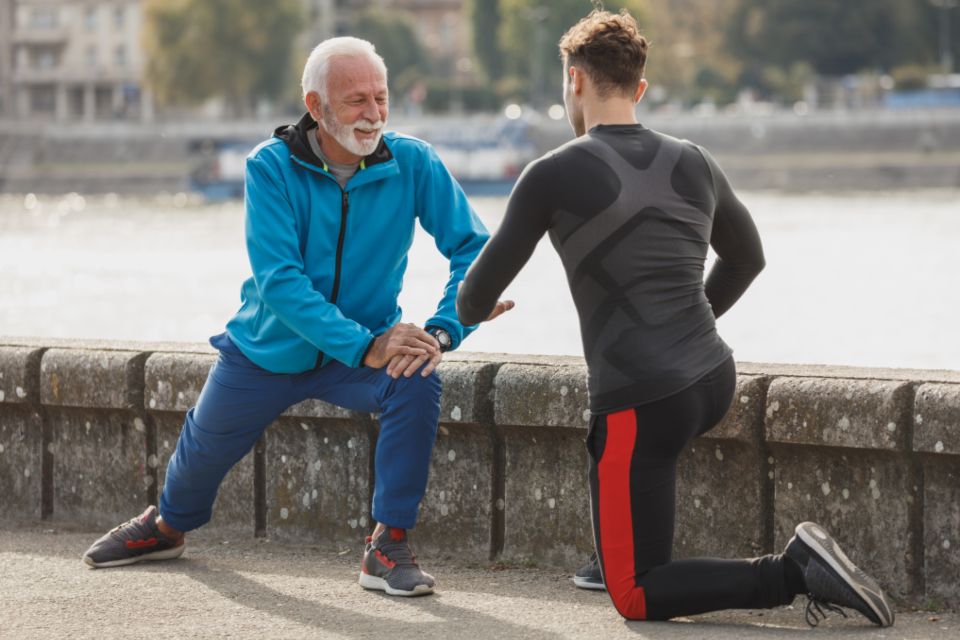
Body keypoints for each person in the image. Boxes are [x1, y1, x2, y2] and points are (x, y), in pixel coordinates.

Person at [457, 9, 894, 627]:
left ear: (574, 82)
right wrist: (690, 323)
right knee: (633, 499)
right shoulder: (695, 159)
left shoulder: (550, 174)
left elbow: (474, 297)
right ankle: (609, 546)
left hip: (642, 402)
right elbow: (749, 258)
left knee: (635, 594)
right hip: (712, 377)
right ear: (639, 89)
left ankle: (793, 569)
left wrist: (474, 310)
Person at [82, 36, 511, 597]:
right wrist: (367, 346)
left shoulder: (413, 162)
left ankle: (387, 545)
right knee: (199, 456)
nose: (374, 113)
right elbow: (280, 282)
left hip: (359, 351)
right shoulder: (270, 167)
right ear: (316, 106)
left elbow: (473, 249)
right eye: (356, 100)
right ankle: (166, 528)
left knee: (417, 380)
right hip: (268, 349)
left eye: (380, 98)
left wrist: (442, 329)